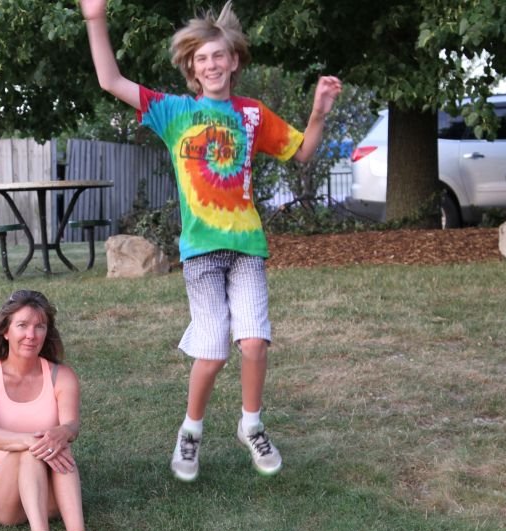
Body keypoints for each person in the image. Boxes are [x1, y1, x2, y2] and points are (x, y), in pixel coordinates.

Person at [81, 0, 342, 482]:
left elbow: (304, 152)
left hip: (247, 248)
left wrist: (318, 112)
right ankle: (191, 431)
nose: (212, 64)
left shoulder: (252, 114)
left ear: (234, 60)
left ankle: (251, 426)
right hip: (201, 252)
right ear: (191, 68)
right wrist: (95, 18)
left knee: (255, 343)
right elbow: (110, 81)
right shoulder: (175, 112)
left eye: (219, 55)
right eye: (201, 58)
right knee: (214, 351)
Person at [0, 290, 102, 531]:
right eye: (22, 325)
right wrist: (38, 441)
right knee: (33, 449)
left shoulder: (61, 375)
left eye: (40, 326)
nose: (31, 334)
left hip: (45, 489)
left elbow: (71, 424)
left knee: (57, 443)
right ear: (5, 330)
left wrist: (63, 432)